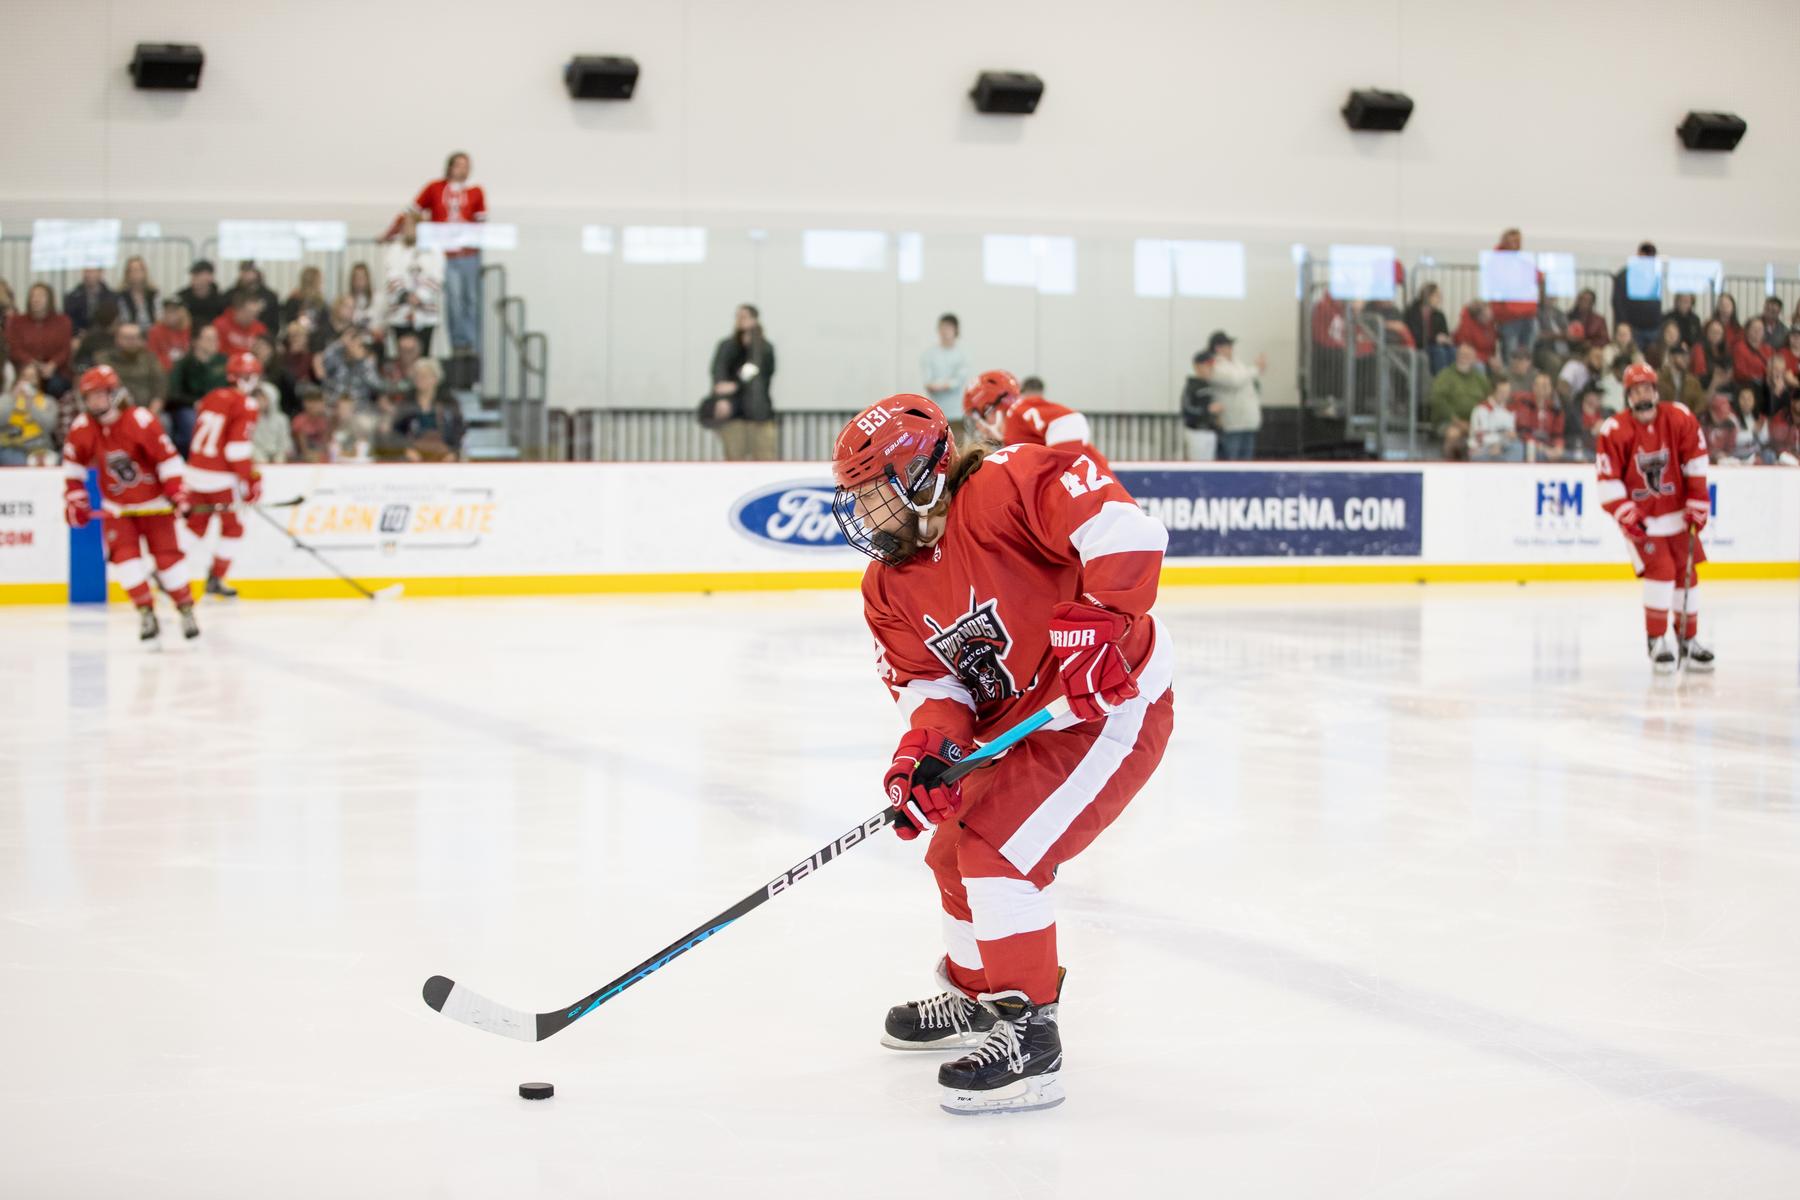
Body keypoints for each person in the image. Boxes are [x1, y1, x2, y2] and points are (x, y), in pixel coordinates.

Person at [830, 395, 1173, 1115]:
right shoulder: (887, 586)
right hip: (1025, 718)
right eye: (856, 498)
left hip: (1109, 706)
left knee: (1001, 854)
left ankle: (1031, 1039)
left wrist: (1104, 619)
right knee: (952, 850)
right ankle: (978, 998)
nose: (864, 515)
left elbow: (1125, 530)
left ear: (921, 476)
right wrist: (930, 752)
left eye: (873, 494)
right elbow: (933, 686)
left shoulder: (1007, 485)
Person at [60, 365, 199, 642]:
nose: (94, 402)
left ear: (114, 393)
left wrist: (177, 493)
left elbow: (167, 459)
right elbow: (72, 469)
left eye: (100, 395)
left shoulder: (140, 420)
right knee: (125, 561)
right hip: (117, 509)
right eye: (89, 396)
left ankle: (185, 609)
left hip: (155, 505)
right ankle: (145, 612)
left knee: (168, 561)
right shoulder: (82, 428)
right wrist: (76, 500)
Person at [1594, 362, 1712, 672]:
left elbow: (1696, 460)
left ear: (1656, 391)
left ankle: (1688, 640)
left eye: (1647, 388)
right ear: (1627, 396)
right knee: (1661, 570)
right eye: (1635, 391)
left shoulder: (1679, 418)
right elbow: (1608, 481)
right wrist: (1625, 513)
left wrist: (1698, 499)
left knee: (1687, 573)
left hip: (1676, 514)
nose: (1642, 395)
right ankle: (1656, 640)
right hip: (1644, 520)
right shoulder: (1615, 430)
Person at [183, 352, 265, 598]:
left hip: (195, 471)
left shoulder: (212, 396)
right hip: (219, 478)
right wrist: (250, 480)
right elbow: (236, 450)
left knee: (196, 525)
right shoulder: (246, 403)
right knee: (233, 528)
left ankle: (164, 570)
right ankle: (217, 577)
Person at [413, 151, 487, 357]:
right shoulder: (435, 188)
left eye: (466, 165)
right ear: (450, 167)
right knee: (454, 298)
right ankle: (458, 342)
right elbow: (413, 211)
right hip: (446, 254)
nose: (463, 169)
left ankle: (471, 343)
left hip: (468, 254)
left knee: (470, 298)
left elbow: (481, 222)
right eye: (459, 165)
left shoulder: (475, 192)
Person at [962, 369, 1097, 458]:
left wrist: (1059, 470)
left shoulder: (1017, 412)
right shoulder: (1012, 438)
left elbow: (1070, 421)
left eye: (978, 417)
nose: (979, 427)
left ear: (994, 408)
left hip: (1099, 495)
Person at [708, 303, 777, 461]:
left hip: (760, 414)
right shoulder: (727, 347)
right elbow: (719, 375)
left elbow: (762, 371)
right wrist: (721, 398)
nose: (740, 320)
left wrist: (735, 385)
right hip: (734, 415)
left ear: (755, 320)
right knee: (734, 459)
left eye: (745, 317)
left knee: (765, 458)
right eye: (738, 317)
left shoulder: (764, 348)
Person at [383, 213, 446, 355]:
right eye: (404, 226)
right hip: (400, 313)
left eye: (410, 225)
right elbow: (391, 274)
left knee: (423, 356)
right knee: (402, 355)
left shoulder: (434, 249)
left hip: (425, 314)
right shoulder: (395, 249)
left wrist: (420, 295)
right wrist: (405, 295)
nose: (406, 229)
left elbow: (437, 276)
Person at [7, 282, 75, 399]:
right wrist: (32, 364)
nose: (36, 300)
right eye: (33, 296)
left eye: (41, 296)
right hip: (25, 370)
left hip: (55, 370)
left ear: (50, 299)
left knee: (56, 385)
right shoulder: (16, 322)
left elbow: (65, 349)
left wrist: (53, 364)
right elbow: (14, 348)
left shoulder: (63, 321)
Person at [166, 323, 227, 453]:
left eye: (216, 339)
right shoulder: (183, 364)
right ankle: (190, 459)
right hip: (191, 407)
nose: (214, 343)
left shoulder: (224, 362)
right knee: (191, 421)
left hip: (222, 407)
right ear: (195, 341)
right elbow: (173, 394)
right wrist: (194, 402)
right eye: (209, 339)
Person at [1203, 331, 1263, 461]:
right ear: (1218, 348)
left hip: (1248, 421)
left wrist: (1252, 371)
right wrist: (1255, 369)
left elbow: (1244, 378)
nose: (1231, 349)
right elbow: (1235, 380)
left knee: (1246, 462)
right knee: (1231, 460)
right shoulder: (1215, 365)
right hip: (1232, 423)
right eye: (1228, 345)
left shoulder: (1237, 363)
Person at [393, 359, 465, 462]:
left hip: (444, 451)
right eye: (417, 375)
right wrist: (405, 449)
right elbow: (397, 431)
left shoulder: (449, 401)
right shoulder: (407, 402)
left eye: (425, 376)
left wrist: (453, 452)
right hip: (414, 452)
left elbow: (459, 429)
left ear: (435, 378)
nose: (420, 379)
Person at [1488, 228, 1539, 360]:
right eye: (1513, 240)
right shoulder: (1497, 262)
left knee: (1527, 355)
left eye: (1519, 240)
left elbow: (1538, 277)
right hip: (1509, 316)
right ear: (1505, 241)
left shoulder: (1521, 262)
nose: (1517, 243)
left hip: (1527, 313)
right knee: (1511, 354)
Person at [1428, 342, 1488, 448]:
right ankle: (1450, 463)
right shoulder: (1445, 375)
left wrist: (1478, 422)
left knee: (1494, 436)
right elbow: (1438, 400)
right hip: (1449, 421)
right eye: (1462, 355)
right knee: (1453, 434)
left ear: (1474, 359)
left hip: (1475, 422)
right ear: (1456, 356)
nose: (1464, 358)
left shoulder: (1481, 379)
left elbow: (1488, 400)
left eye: (1468, 355)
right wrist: (1456, 421)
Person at [97, 324, 166, 416]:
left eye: (135, 338)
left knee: (165, 421)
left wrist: (151, 414)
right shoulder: (104, 359)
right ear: (117, 339)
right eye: (126, 338)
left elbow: (159, 388)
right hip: (114, 412)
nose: (131, 342)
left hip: (147, 410)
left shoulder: (150, 359)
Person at [1, 364, 60, 466]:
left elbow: (49, 426)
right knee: (19, 462)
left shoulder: (48, 401)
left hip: (41, 448)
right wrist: (12, 399)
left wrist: (31, 405)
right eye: (25, 377)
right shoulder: (6, 399)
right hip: (12, 447)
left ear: (39, 381)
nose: (28, 381)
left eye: (32, 377)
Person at [1611, 241, 1663, 350]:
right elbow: (1617, 301)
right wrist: (1623, 323)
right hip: (1632, 327)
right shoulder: (1625, 275)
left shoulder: (1654, 275)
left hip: (1652, 326)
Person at [319, 328, 381, 407]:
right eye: (359, 345)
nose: (363, 349)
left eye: (364, 347)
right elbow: (325, 360)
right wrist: (341, 342)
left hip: (359, 408)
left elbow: (377, 385)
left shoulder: (366, 363)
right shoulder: (336, 357)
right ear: (349, 344)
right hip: (335, 406)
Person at [921, 314, 970, 412]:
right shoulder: (929, 354)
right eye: (942, 327)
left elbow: (958, 381)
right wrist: (943, 384)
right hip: (935, 410)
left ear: (956, 330)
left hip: (957, 411)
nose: (945, 331)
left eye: (948, 327)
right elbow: (928, 382)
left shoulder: (962, 354)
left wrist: (942, 385)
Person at [1404, 282, 1453, 374]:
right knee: (1440, 352)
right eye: (1436, 296)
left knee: (1453, 351)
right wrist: (1435, 339)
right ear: (1427, 296)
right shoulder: (1412, 313)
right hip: (1419, 347)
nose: (1440, 299)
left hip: (1435, 346)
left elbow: (1445, 334)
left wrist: (1446, 339)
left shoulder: (1439, 315)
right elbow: (1415, 336)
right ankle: (1440, 383)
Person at [1516, 372, 1566, 461]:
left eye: (1547, 385)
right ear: (1534, 387)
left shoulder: (1555, 409)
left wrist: (1559, 447)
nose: (1545, 388)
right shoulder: (1525, 404)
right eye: (1542, 385)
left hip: (1549, 445)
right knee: (1538, 454)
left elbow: (1558, 434)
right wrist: (1541, 447)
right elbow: (1523, 432)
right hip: (1530, 445)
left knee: (1571, 456)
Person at [1469, 378, 1522, 461]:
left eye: (1507, 392)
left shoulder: (1509, 412)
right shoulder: (1481, 409)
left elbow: (1511, 435)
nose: (1505, 395)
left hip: (1502, 447)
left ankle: (1509, 470)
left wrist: (1504, 441)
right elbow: (1479, 438)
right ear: (1493, 391)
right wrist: (1496, 443)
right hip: (1483, 448)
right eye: (1501, 392)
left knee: (1518, 446)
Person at [1178, 351, 1217, 461]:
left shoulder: (1209, 386)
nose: (1211, 369)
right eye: (1207, 366)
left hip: (1210, 431)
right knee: (1198, 465)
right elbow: (1186, 409)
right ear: (1198, 367)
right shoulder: (1192, 386)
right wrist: (1207, 410)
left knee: (1209, 467)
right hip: (1196, 432)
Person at [63, 268, 117, 335]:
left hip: (106, 335)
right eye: (86, 271)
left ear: (100, 273)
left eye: (92, 271)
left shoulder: (112, 296)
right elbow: (68, 320)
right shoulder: (72, 297)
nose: (89, 275)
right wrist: (78, 332)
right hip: (79, 336)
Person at [226, 261, 278, 331]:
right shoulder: (231, 295)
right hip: (235, 332)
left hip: (262, 333)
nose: (248, 275)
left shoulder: (269, 296)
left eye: (251, 271)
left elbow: (274, 323)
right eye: (245, 271)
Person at [177, 260, 228, 330]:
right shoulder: (182, 297)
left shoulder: (220, 300)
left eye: (198, 274)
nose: (194, 277)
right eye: (193, 274)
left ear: (210, 277)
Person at [290, 386, 333, 463]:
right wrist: (309, 455)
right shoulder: (299, 421)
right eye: (312, 402)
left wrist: (321, 454)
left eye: (319, 402)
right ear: (306, 404)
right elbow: (301, 447)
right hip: (301, 456)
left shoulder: (325, 421)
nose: (315, 406)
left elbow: (326, 443)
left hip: (320, 455)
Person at [280, 266, 329, 333]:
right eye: (320, 280)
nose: (322, 282)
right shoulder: (295, 299)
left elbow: (325, 320)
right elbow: (289, 321)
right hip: (299, 334)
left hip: (317, 336)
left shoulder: (320, 300)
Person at [1452, 300, 1499, 369]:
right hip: (1468, 355)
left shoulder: (1489, 323)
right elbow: (1466, 350)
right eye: (1485, 316)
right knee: (1479, 366)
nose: (1489, 319)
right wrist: (1487, 359)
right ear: (1477, 317)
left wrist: (1492, 358)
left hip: (1485, 356)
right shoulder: (1466, 328)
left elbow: (1491, 346)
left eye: (1490, 315)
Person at [147, 299, 191, 371]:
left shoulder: (190, 330)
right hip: (164, 371)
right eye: (167, 311)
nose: (170, 315)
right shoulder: (155, 331)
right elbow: (152, 355)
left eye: (174, 311)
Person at [116, 257, 159, 328]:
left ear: (145, 272)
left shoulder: (154, 293)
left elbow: (159, 317)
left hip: (152, 330)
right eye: (131, 270)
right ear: (127, 274)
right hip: (130, 331)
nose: (135, 273)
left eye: (138, 270)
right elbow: (123, 319)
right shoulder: (121, 295)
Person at [346, 262, 378, 333]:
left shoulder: (378, 298)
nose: (359, 280)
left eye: (362, 277)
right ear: (352, 280)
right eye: (356, 277)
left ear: (367, 279)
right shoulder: (347, 300)